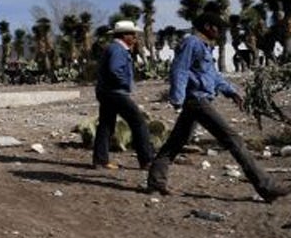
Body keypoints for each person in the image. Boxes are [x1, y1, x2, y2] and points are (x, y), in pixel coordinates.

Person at [147, 12, 290, 202]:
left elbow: (212, 75)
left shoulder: (204, 48)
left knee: (176, 142)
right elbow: (179, 69)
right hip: (196, 100)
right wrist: (177, 99)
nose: (221, 31)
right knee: (233, 139)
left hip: (199, 99)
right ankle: (266, 186)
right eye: (218, 27)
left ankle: (156, 182)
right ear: (207, 26)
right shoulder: (192, 43)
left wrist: (230, 91)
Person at [92, 20, 155, 170]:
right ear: (124, 35)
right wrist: (126, 84)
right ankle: (146, 160)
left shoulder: (112, 48)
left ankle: (100, 160)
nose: (135, 37)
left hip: (105, 92)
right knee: (138, 123)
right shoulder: (118, 50)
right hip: (115, 93)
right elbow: (115, 70)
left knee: (106, 125)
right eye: (132, 34)